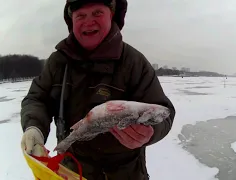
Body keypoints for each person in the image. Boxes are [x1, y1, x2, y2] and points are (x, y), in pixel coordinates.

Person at [20, 0, 176, 179]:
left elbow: (165, 113)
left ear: (112, 15)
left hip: (124, 174)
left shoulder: (134, 63)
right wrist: (34, 127)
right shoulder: (57, 62)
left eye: (97, 13)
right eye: (81, 16)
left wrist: (150, 133)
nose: (89, 22)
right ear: (71, 21)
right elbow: (38, 98)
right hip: (70, 170)